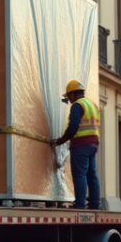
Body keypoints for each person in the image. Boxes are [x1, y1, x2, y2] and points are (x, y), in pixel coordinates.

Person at [51, 79, 101, 210]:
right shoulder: (92, 104)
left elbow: (73, 127)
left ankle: (80, 204)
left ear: (73, 94)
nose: (69, 100)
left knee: (80, 174)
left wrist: (60, 141)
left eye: (68, 97)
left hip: (81, 144)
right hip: (93, 144)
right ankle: (95, 204)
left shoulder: (77, 105)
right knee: (92, 175)